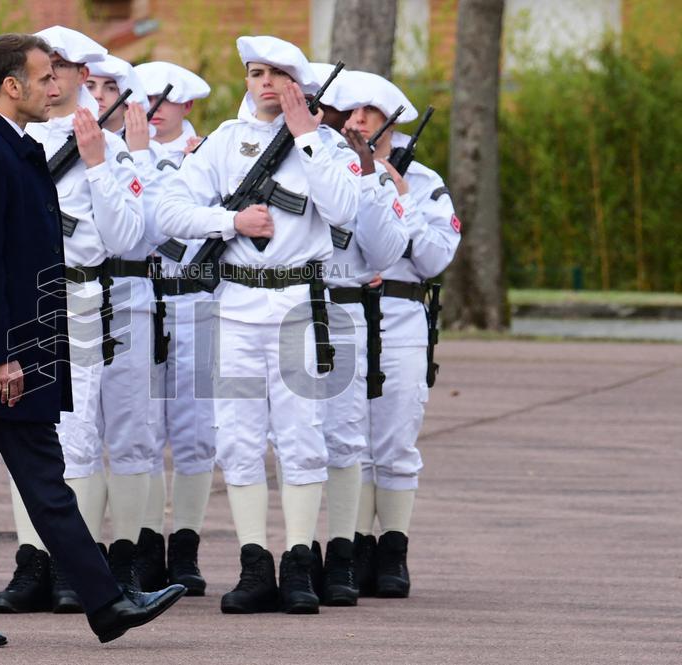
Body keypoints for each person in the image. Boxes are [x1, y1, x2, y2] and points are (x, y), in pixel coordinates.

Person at [0, 33, 183, 648]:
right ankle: (107, 603)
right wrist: (2, 357)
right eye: (44, 77)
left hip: (15, 344)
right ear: (13, 86)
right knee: (44, 480)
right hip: (3, 352)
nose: (57, 86)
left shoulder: (8, 145)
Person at [156, 36, 361, 614]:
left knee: (300, 435)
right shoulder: (223, 142)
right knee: (239, 438)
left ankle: (299, 563)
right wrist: (230, 220)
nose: (264, 82)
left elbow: (346, 211)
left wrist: (306, 137)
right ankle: (253, 563)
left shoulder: (326, 146)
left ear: (298, 83)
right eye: (254, 72)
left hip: (298, 301)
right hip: (236, 305)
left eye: (276, 73)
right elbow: (169, 210)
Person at [0, 25, 144, 615]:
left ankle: (68, 566)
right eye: (44, 68)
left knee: (75, 439)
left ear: (86, 76)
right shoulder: (10, 138)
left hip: (75, 298)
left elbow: (128, 236)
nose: (52, 80)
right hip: (16, 301)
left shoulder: (109, 145)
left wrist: (98, 164)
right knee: (21, 433)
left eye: (63, 68)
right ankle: (32, 560)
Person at [339, 71, 460, 599]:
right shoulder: (332, 170)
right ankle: (353, 548)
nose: (358, 121)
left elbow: (434, 258)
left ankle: (393, 550)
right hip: (343, 313)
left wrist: (404, 198)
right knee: (348, 441)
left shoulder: (426, 180)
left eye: (368, 112)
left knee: (393, 440)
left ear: (391, 121)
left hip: (400, 315)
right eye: (350, 111)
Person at [306, 62, 413, 607]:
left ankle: (342, 556)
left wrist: (371, 176)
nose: (350, 123)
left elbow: (387, 252)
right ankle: (289, 558)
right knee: (287, 442)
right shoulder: (298, 158)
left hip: (344, 307)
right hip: (287, 304)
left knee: (347, 438)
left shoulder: (368, 170)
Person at [131, 60, 215, 595]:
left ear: (186, 106)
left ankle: (184, 549)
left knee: (195, 434)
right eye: (145, 101)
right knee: (138, 434)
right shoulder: (117, 153)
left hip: (194, 301)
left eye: (164, 101)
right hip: (139, 299)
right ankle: (140, 547)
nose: (153, 111)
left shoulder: (208, 155)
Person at [84, 53, 164, 595]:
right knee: (75, 438)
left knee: (134, 436)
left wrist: (139, 160)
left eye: (110, 87)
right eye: (90, 84)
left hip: (130, 300)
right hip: (73, 297)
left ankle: (132, 556)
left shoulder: (144, 157)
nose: (97, 95)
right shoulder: (52, 146)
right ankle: (71, 560)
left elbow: (150, 230)